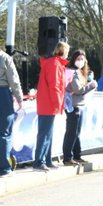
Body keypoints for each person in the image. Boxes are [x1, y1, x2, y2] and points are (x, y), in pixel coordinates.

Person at [34, 41, 70, 171]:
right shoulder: (55, 64)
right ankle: (39, 161)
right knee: (45, 133)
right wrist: (57, 104)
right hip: (49, 103)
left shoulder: (53, 63)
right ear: (63, 51)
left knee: (47, 133)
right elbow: (54, 86)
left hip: (46, 102)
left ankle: (46, 159)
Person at [62, 49, 97, 166]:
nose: (80, 61)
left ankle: (77, 155)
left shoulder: (80, 72)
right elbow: (78, 90)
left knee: (77, 133)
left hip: (80, 105)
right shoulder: (72, 72)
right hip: (73, 106)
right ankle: (67, 157)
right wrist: (91, 85)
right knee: (71, 132)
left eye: (82, 59)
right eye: (78, 59)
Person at [0, 48, 22, 177]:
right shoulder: (5, 57)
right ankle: (4, 168)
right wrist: (19, 98)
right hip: (3, 94)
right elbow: (13, 80)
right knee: (5, 132)